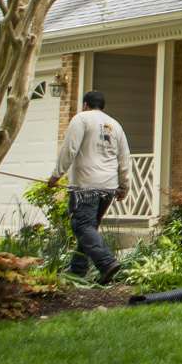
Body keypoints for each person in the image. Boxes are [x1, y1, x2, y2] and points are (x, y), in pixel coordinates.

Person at [49, 89, 128, 284]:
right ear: (103, 107)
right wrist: (124, 186)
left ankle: (107, 262)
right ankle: (78, 269)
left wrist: (56, 175)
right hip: (108, 188)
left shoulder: (81, 119)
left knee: (82, 225)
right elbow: (125, 159)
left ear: (85, 104)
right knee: (89, 228)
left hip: (85, 186)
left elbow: (70, 149)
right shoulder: (115, 125)